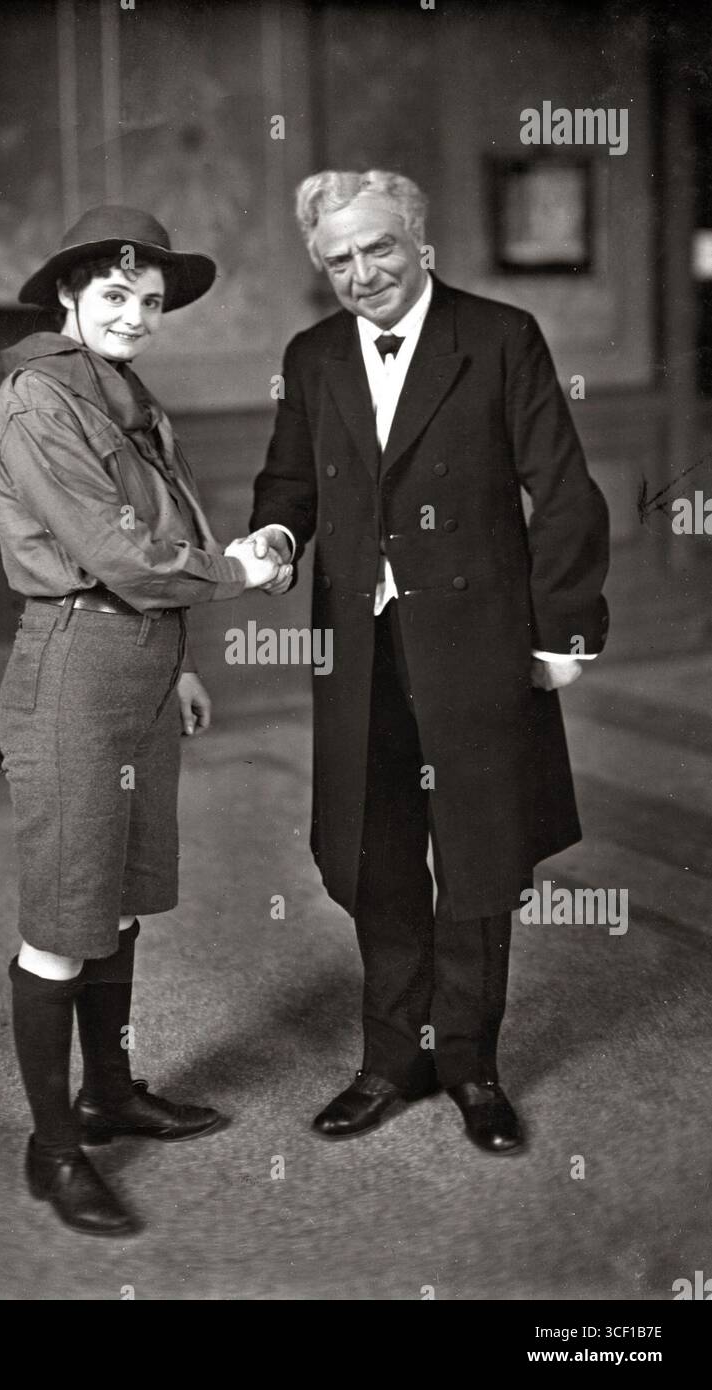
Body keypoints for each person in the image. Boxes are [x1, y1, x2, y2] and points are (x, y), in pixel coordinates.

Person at [245, 170, 609, 1153]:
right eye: (338, 260)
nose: (361, 273)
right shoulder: (312, 354)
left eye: (378, 248)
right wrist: (276, 538)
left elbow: (564, 490)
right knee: (375, 849)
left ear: (420, 243)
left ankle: (470, 1064)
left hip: (480, 646)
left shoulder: (499, 336)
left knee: (478, 854)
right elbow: (287, 483)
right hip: (360, 649)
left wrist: (557, 630)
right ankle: (385, 1061)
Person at [0, 205, 287, 1235]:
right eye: (115, 295)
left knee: (116, 895)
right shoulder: (36, 399)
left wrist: (182, 664)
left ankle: (108, 1092)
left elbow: (163, 525)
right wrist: (236, 571)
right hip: (75, 662)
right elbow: (115, 555)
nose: (136, 315)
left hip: (142, 662)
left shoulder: (123, 393)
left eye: (150, 302)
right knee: (65, 915)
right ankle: (53, 1148)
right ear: (67, 295)